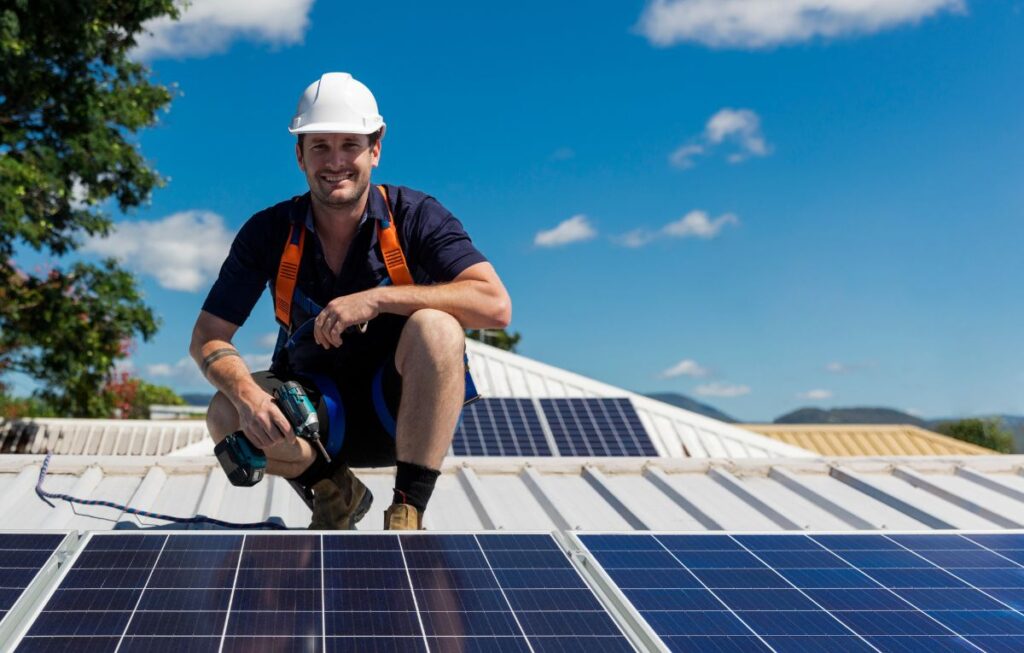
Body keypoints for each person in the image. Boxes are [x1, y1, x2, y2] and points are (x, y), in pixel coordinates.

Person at [189, 72, 511, 530]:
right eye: (319, 146)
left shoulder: (415, 216)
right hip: (317, 423)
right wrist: (247, 398)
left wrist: (377, 301)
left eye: (350, 145)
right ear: (299, 155)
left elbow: (495, 304)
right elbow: (207, 336)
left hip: (399, 410)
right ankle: (334, 490)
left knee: (438, 328)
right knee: (224, 411)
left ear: (375, 149)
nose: (335, 161)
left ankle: (407, 511)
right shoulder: (268, 232)